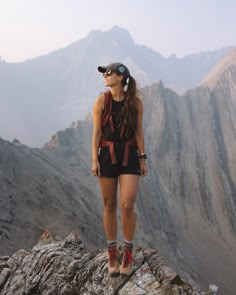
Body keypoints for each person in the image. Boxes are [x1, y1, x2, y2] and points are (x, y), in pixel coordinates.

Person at [91, 62, 148, 276]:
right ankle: (112, 252)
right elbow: (96, 133)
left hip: (129, 156)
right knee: (109, 204)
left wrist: (142, 159)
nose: (104, 76)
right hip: (106, 155)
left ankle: (129, 252)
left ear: (121, 77)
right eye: (104, 73)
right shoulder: (101, 102)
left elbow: (139, 133)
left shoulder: (135, 103)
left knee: (126, 205)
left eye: (108, 73)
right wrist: (94, 160)